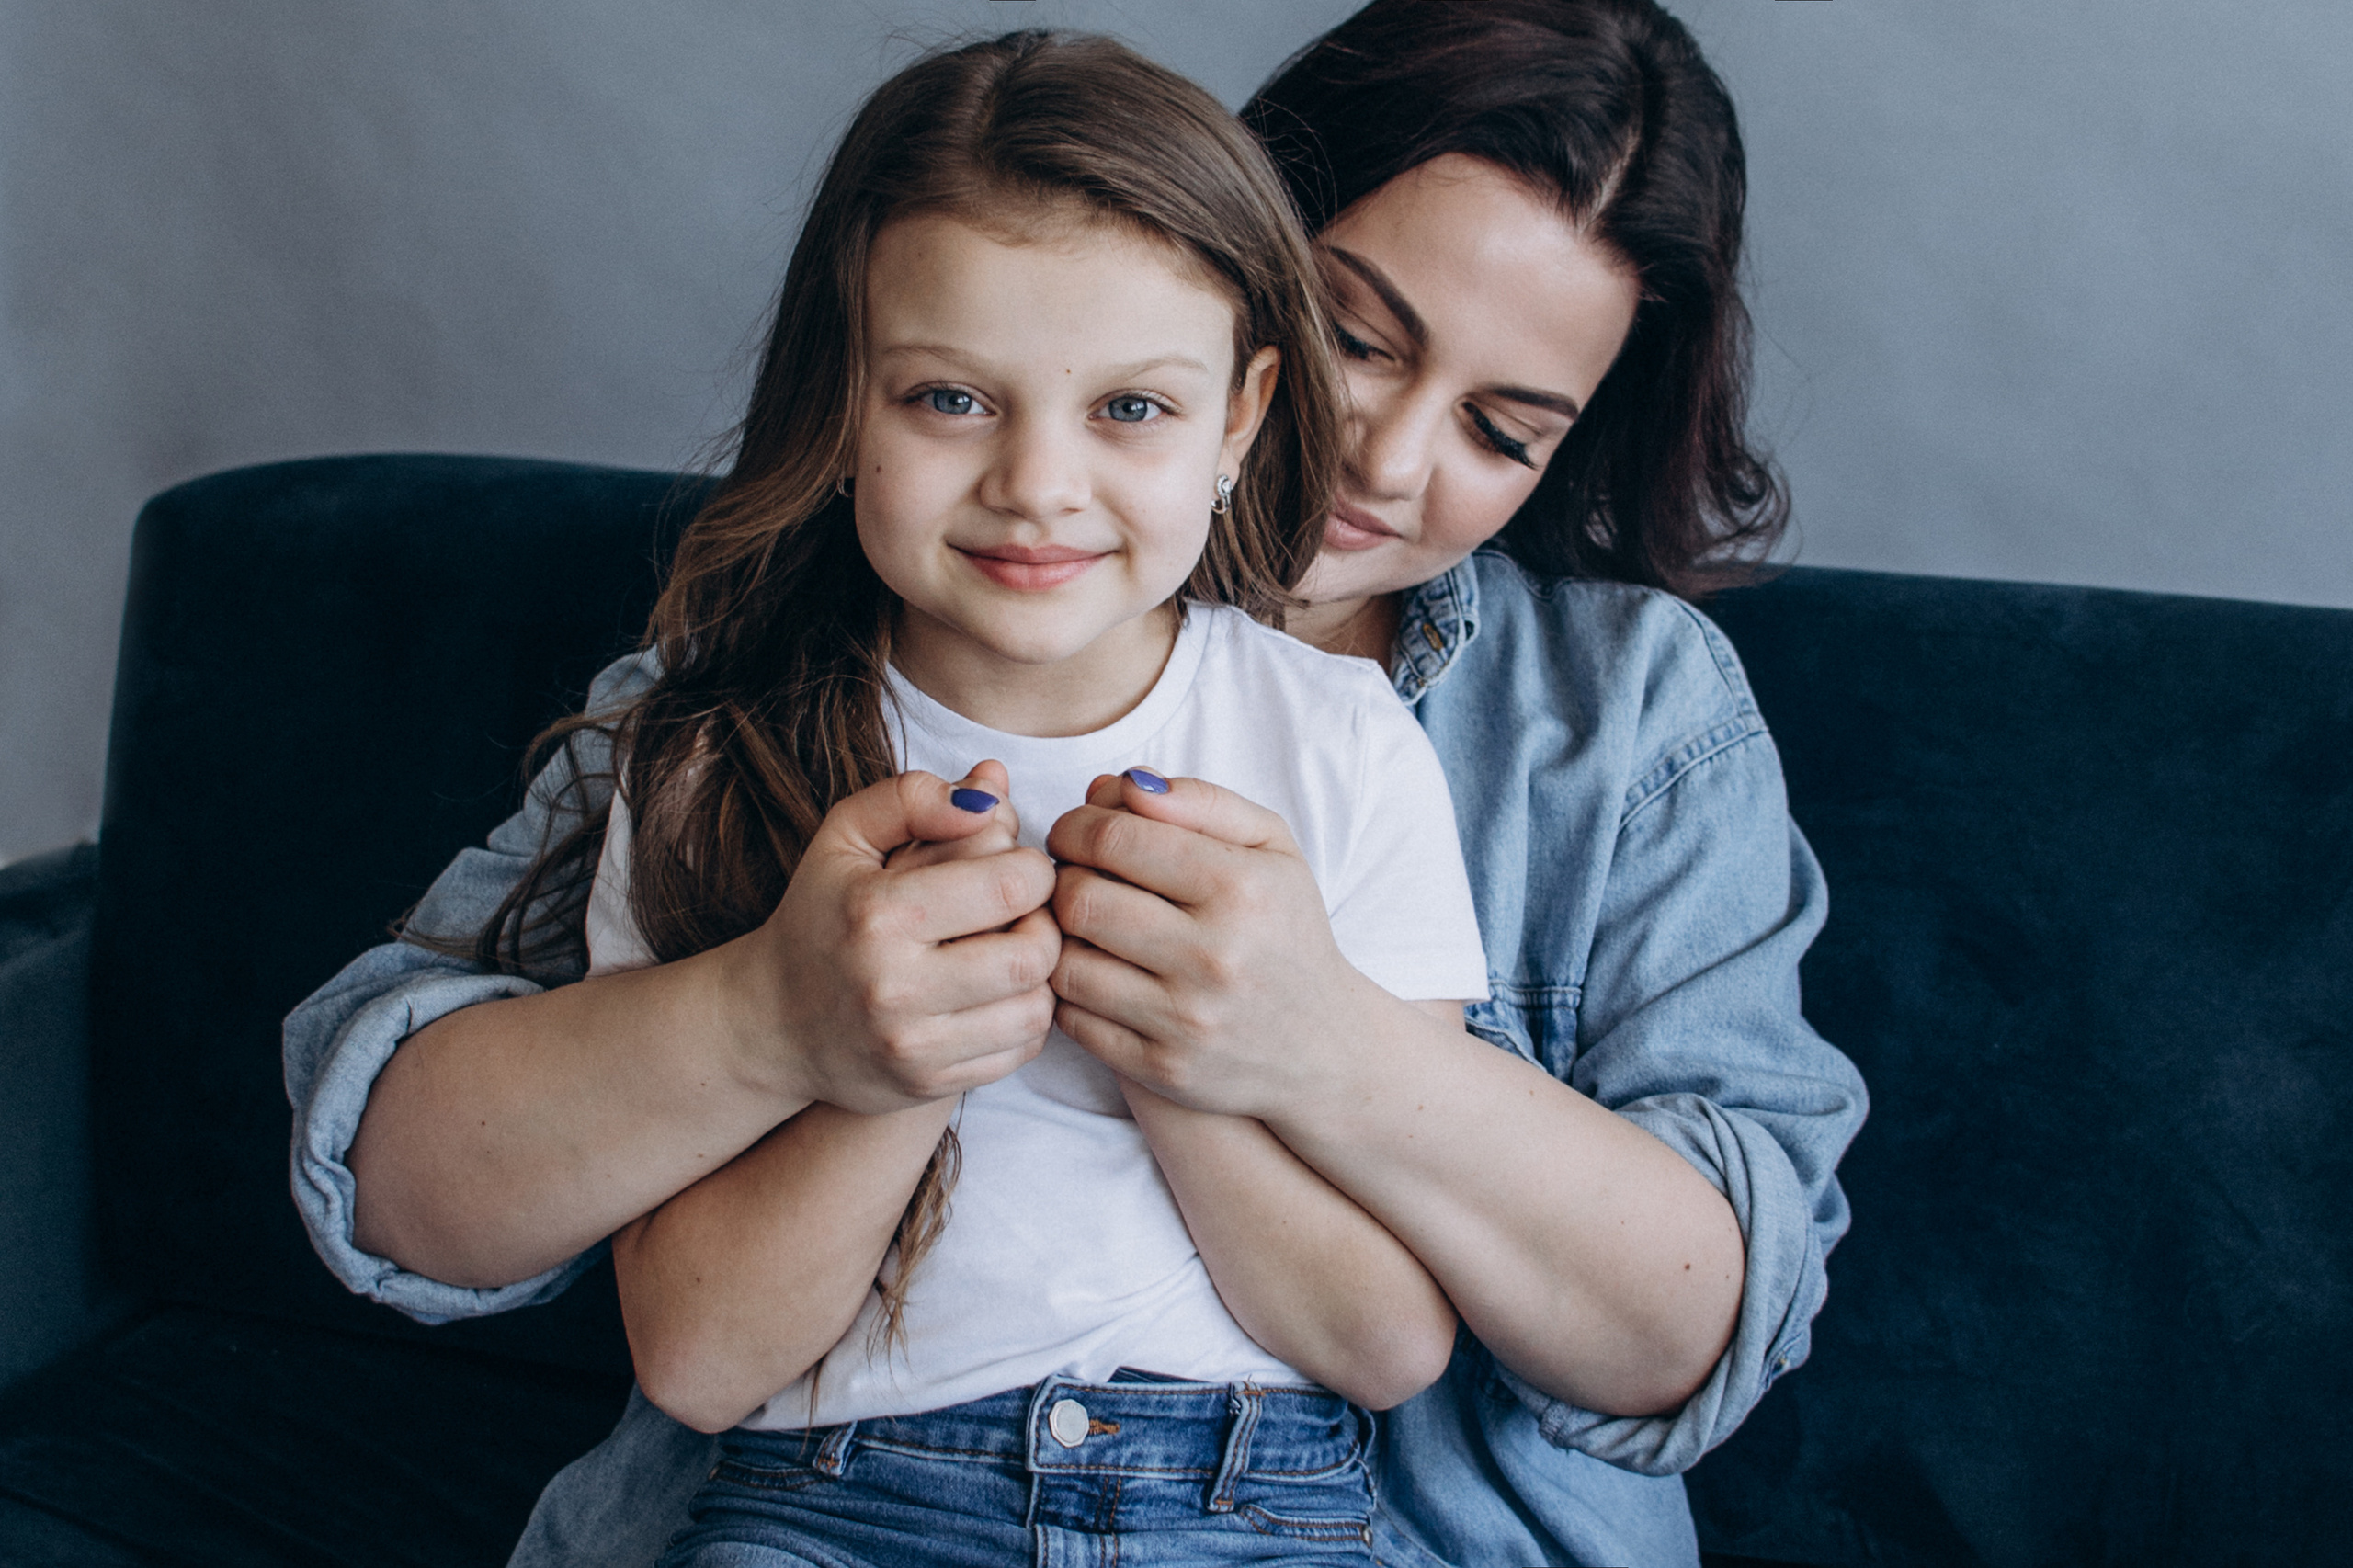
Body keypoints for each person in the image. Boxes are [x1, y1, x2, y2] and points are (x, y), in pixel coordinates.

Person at [282, 3, 1868, 1565]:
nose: (1384, 456)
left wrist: (1314, 1049)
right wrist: (774, 1020)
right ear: (1214, 242)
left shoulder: (1600, 714)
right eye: (1357, 335)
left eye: (1503, 431)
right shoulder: (773, 680)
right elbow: (408, 1178)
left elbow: (1686, 1327)